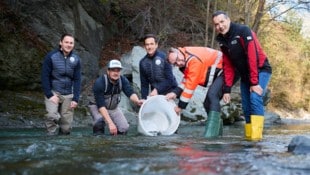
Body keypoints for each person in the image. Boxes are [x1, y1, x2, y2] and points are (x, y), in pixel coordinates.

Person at [212, 11, 272, 141]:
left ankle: (256, 139)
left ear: (228, 20)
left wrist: (254, 82)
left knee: (255, 97)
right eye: (216, 24)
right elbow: (227, 65)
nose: (220, 26)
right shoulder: (222, 40)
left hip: (260, 69)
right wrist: (227, 89)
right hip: (245, 75)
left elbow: (253, 57)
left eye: (222, 22)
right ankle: (249, 138)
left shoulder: (243, 31)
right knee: (245, 106)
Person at [166, 47, 224, 138]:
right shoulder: (186, 57)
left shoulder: (193, 61)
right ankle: (217, 134)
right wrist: (175, 93)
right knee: (207, 103)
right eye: (175, 64)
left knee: (212, 96)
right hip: (221, 70)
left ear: (179, 52)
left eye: (177, 59)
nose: (179, 63)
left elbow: (190, 87)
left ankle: (211, 136)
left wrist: (180, 106)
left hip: (227, 69)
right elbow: (186, 80)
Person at [41, 33, 81, 135]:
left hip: (68, 94)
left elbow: (77, 80)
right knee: (51, 116)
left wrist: (75, 98)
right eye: (66, 42)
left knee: (66, 128)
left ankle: (62, 146)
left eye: (71, 43)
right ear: (61, 43)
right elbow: (44, 76)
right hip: (53, 92)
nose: (69, 45)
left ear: (73, 45)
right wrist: (49, 94)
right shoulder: (51, 56)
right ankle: (50, 139)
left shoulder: (76, 59)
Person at [90, 59, 143, 136]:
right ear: (108, 71)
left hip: (113, 108)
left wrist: (137, 101)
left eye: (118, 70)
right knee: (99, 123)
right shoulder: (100, 82)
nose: (116, 73)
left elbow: (130, 93)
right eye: (113, 70)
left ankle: (115, 143)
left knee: (124, 127)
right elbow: (101, 106)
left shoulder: (123, 80)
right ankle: (99, 142)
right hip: (97, 107)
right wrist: (110, 123)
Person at [139, 34, 177, 99]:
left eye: (151, 44)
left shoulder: (164, 57)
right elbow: (144, 85)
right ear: (144, 46)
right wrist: (144, 99)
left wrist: (157, 89)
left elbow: (170, 80)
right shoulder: (142, 63)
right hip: (155, 95)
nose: (149, 47)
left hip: (170, 93)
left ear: (156, 45)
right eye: (147, 44)